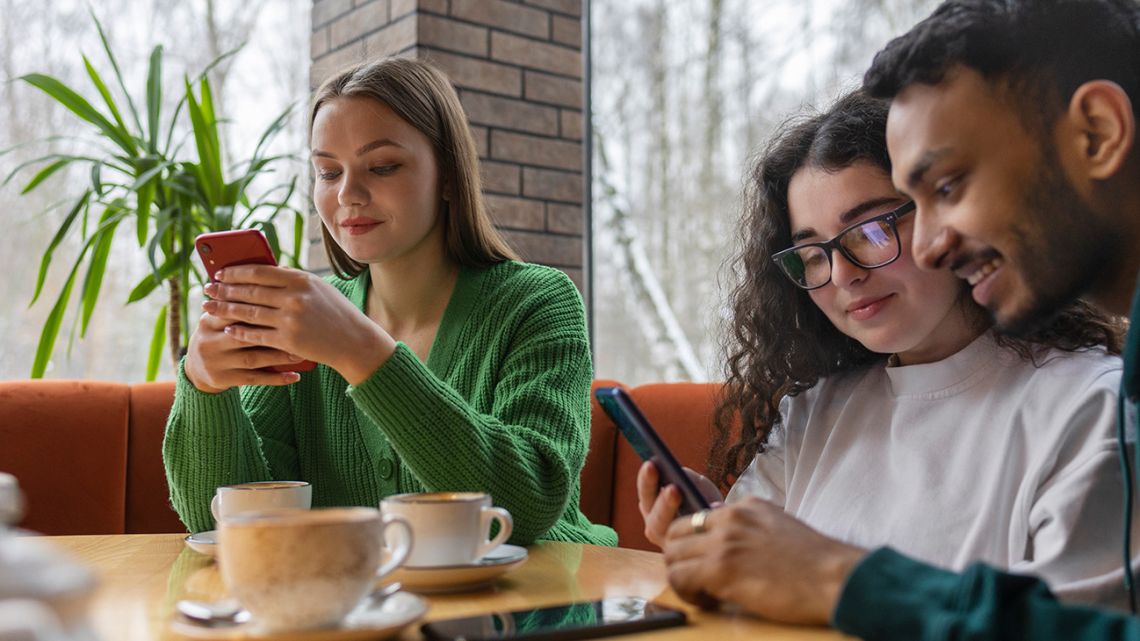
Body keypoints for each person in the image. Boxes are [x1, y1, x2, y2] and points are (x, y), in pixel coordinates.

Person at [659, 0, 1140, 637]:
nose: (937, 242)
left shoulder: (1091, 405)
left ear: (1099, 133)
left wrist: (835, 578)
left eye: (943, 189)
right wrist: (719, 552)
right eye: (811, 254)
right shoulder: (815, 414)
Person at [162, 57, 616, 547]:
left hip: (536, 603)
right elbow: (222, 521)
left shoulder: (537, 301)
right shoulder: (304, 322)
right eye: (328, 171)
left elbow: (524, 509)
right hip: (363, 614)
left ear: (447, 175)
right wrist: (205, 388)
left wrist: (359, 350)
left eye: (382, 166)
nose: (348, 194)